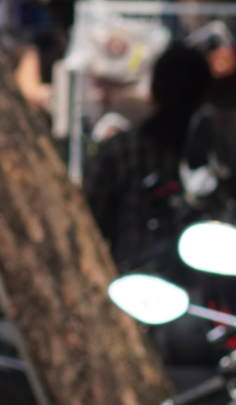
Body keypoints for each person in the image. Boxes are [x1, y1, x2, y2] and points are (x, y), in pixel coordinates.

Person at [86, 42, 215, 270]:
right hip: (136, 281)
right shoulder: (219, 153)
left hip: (203, 285)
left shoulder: (116, 151)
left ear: (154, 91)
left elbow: (89, 221)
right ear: (205, 96)